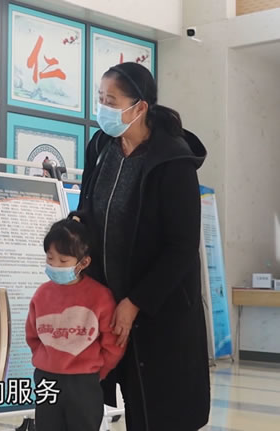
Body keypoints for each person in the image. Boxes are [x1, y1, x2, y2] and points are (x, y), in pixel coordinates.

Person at [71, 62, 210, 430]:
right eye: (100, 98)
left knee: (157, 410)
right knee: (108, 398)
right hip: (107, 303)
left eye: (111, 101)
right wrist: (77, 226)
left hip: (159, 310)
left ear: (140, 107)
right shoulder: (101, 146)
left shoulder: (173, 161)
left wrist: (135, 302)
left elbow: (181, 247)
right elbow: (88, 204)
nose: (103, 108)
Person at [26, 219, 124, 431]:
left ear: (84, 262)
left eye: (63, 260)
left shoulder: (100, 296)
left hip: (84, 382)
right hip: (47, 378)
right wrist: (48, 361)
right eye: (50, 258)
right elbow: (32, 337)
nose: (55, 265)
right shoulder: (41, 294)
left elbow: (112, 343)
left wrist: (97, 371)